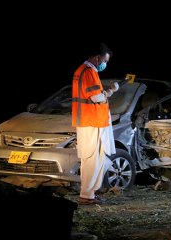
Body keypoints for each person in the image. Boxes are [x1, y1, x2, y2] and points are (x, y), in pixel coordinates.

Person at [72, 43, 119, 205]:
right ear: (97, 57)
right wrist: (110, 91)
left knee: (93, 158)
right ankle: (87, 195)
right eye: (104, 60)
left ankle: (89, 194)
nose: (104, 64)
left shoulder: (83, 71)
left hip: (89, 120)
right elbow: (96, 97)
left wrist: (104, 91)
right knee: (93, 158)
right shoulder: (89, 71)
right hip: (91, 121)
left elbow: (90, 94)